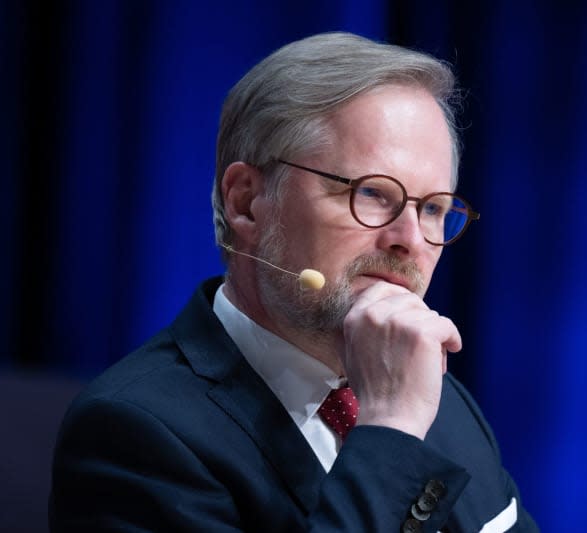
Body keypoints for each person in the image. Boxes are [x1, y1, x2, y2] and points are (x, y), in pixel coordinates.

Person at [49, 32, 539, 532]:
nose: (410, 240)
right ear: (246, 202)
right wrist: (391, 430)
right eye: (372, 193)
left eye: (432, 207)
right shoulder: (135, 434)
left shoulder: (442, 401)